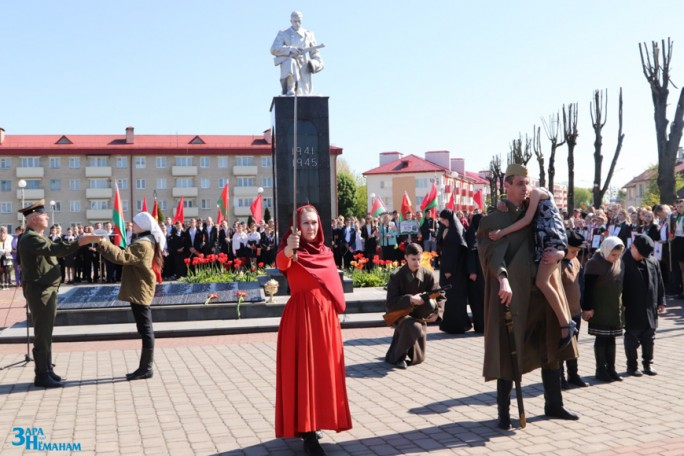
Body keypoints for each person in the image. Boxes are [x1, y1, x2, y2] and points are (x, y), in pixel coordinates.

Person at [477, 164, 578, 429]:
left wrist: (560, 252)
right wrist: (502, 279)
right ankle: (503, 413)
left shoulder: (536, 209)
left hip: (544, 290)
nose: (525, 187)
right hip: (515, 294)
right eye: (519, 183)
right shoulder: (494, 219)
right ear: (506, 186)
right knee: (509, 351)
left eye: (527, 182)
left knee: (551, 346)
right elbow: (490, 253)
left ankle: (554, 405)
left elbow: (557, 233)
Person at [275, 205, 351, 455]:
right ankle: (307, 434)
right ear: (297, 226)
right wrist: (288, 248)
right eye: (306, 223)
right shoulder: (293, 252)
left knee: (321, 373)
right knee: (304, 373)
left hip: (326, 321)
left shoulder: (326, 252)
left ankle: (318, 420)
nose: (311, 228)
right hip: (302, 320)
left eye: (314, 223)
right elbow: (281, 263)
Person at [17, 200, 93, 388]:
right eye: (44, 215)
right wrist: (80, 242)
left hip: (45, 288)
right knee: (42, 333)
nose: (48, 217)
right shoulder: (30, 238)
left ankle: (47, 370)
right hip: (40, 289)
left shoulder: (37, 236)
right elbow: (55, 250)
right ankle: (41, 375)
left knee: (46, 332)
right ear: (33, 219)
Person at [489, 185, 576, 348]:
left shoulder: (537, 192)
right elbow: (517, 209)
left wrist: (502, 233)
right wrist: (502, 204)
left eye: (524, 184)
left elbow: (527, 219)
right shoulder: (531, 199)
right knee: (551, 284)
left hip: (552, 241)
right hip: (546, 243)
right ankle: (566, 323)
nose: (523, 189)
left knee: (542, 282)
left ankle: (566, 324)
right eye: (519, 185)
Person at [92, 212, 165, 381]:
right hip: (140, 288)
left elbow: (122, 257)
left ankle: (146, 368)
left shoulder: (143, 244)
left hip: (140, 289)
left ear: (144, 226)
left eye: (135, 223)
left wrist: (104, 242)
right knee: (144, 329)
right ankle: (144, 367)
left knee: (146, 330)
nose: (132, 226)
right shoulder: (145, 242)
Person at [384, 243, 444, 369]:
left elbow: (439, 295)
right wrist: (410, 299)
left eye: (419, 259)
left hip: (420, 314)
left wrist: (437, 312)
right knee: (413, 326)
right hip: (399, 314)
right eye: (413, 259)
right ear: (406, 257)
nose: (417, 263)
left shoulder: (427, 274)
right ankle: (397, 358)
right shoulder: (397, 276)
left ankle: (395, 353)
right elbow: (390, 303)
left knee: (419, 358)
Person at [581, 236, 625, 383]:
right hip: (600, 307)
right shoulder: (594, 264)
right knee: (602, 338)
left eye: (618, 255)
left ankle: (611, 368)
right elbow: (588, 288)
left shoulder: (618, 262)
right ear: (606, 250)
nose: (615, 258)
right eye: (613, 255)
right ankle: (600, 369)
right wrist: (587, 307)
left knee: (611, 338)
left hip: (613, 307)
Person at [622, 234, 665, 377]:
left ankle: (648, 363)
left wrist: (661, 300)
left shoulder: (652, 261)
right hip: (632, 306)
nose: (643, 257)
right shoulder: (623, 261)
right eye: (641, 254)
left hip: (650, 305)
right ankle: (632, 366)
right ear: (633, 247)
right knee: (632, 337)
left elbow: (659, 281)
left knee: (649, 337)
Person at [560, 229, 590, 389]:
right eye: (572, 251)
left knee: (574, 346)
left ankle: (573, 374)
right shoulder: (556, 264)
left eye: (578, 251)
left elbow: (582, 286)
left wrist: (585, 307)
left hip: (575, 311)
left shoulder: (576, 262)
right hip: (561, 313)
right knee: (561, 346)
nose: (575, 254)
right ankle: (560, 377)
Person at [271, 11, 324, 96]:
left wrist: (314, 64)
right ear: (291, 21)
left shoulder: (308, 34)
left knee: (304, 95)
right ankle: (290, 88)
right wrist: (290, 49)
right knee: (290, 62)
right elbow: (274, 49)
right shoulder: (283, 33)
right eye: (295, 21)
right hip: (289, 64)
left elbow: (315, 54)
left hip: (304, 67)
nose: (297, 23)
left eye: (299, 21)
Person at [437, 209, 471, 333]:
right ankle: (458, 324)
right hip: (457, 270)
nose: (442, 222)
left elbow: (452, 253)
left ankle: (455, 326)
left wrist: (448, 270)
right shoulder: (454, 229)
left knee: (454, 298)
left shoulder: (453, 232)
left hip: (454, 271)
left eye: (443, 220)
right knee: (454, 298)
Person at [465, 213, 485, 333]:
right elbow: (471, 253)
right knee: (477, 299)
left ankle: (483, 326)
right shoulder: (472, 234)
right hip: (475, 273)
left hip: (481, 271)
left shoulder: (481, 232)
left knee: (482, 299)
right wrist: (472, 271)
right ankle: (480, 326)